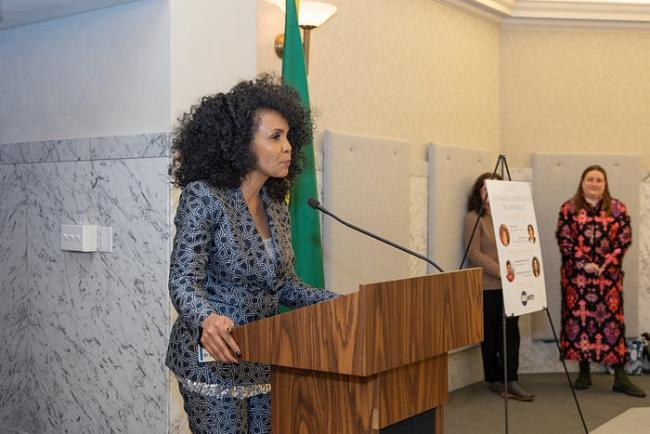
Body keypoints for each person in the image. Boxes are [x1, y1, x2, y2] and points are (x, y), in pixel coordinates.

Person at [166, 75, 339, 433]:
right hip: (212, 357)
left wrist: (341, 303)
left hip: (261, 357)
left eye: (289, 136)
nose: (288, 146)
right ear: (242, 144)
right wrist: (207, 319)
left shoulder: (275, 205)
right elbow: (183, 280)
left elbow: (285, 285)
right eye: (276, 137)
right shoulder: (204, 196)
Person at [556, 165, 645, 397]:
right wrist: (583, 263)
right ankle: (583, 371)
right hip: (578, 279)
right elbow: (564, 240)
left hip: (609, 278)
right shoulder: (569, 209)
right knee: (580, 323)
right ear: (582, 182)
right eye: (590, 179)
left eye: (599, 180)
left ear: (605, 184)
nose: (594, 183)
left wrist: (606, 262)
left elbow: (624, 239)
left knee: (612, 325)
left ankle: (620, 376)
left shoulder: (617, 208)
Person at [463, 172, 534, 401]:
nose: (490, 193)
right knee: (491, 334)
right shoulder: (474, 217)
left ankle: (511, 379)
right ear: (479, 193)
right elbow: (473, 252)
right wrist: (502, 271)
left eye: (495, 188)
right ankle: (494, 379)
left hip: (512, 286)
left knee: (510, 332)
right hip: (488, 285)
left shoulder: (511, 216)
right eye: (486, 189)